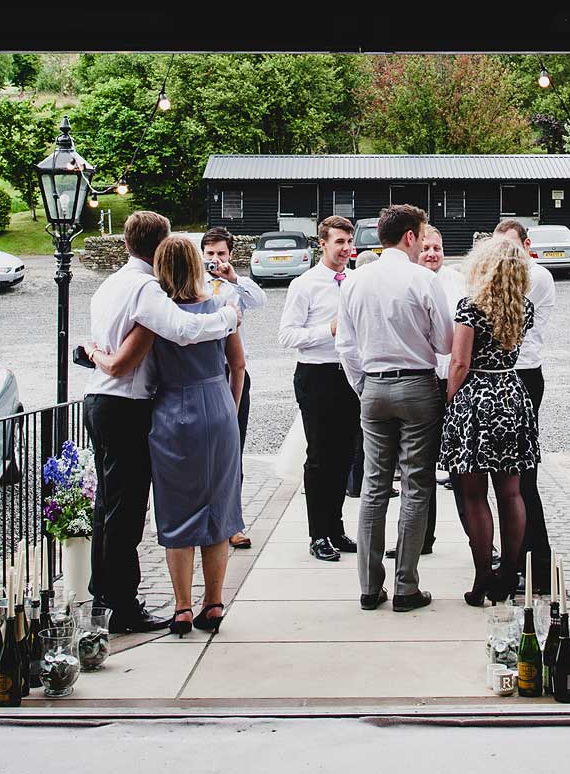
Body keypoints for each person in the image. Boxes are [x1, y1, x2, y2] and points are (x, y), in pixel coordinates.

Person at [80, 211, 240, 634]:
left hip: (102, 401)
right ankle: (119, 605)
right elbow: (183, 329)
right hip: (128, 405)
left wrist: (92, 355)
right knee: (126, 511)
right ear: (160, 245)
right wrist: (227, 316)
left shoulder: (110, 283)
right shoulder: (147, 289)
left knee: (111, 506)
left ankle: (106, 595)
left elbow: (104, 347)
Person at [336, 204, 453, 613]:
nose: (423, 243)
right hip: (418, 386)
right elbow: (445, 344)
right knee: (416, 485)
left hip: (373, 387)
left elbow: (345, 345)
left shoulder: (354, 281)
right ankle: (406, 586)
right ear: (409, 236)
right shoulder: (422, 279)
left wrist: (363, 385)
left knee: (374, 486)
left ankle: (369, 587)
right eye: (421, 236)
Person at [439, 235, 539, 607]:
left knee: (474, 494)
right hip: (512, 395)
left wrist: (450, 399)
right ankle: (509, 574)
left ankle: (483, 576)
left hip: (478, 399)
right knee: (511, 492)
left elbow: (460, 362)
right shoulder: (523, 308)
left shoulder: (471, 307)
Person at [277, 216, 361, 563]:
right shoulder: (305, 284)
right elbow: (287, 336)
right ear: (322, 244)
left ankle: (336, 527)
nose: (345, 248)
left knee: (345, 456)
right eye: (339, 242)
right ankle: (318, 533)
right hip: (316, 375)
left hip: (351, 376)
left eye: (349, 241)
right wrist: (327, 329)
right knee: (320, 457)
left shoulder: (357, 281)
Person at [385, 224, 464, 559]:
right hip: (422, 382)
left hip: (457, 384)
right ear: (415, 247)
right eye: (427, 247)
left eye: (438, 248)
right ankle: (420, 540)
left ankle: (479, 538)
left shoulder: (458, 282)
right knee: (419, 468)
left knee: (463, 469)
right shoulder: (408, 282)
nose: (432, 254)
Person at [493, 219, 555, 592]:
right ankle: (520, 553)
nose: (506, 255)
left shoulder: (536, 277)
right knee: (510, 476)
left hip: (524, 375)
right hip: (505, 377)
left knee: (522, 476)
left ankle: (536, 564)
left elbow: (507, 328)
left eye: (512, 247)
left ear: (527, 244)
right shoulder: (505, 276)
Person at [200, 227, 266, 550]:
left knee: (232, 452)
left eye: (221, 253)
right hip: (201, 375)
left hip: (233, 372)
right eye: (210, 254)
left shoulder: (235, 287)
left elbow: (262, 301)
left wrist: (235, 278)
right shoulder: (193, 285)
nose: (215, 259)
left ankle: (233, 522)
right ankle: (204, 519)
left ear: (230, 255)